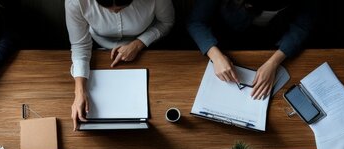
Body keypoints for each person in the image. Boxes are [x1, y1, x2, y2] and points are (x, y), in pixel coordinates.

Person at [65, 0, 175, 130]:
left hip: (146, 50)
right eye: (106, 6)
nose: (115, 11)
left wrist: (139, 44)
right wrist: (79, 92)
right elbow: (80, 45)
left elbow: (166, 22)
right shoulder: (76, 2)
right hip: (99, 51)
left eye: (123, 6)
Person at [187, 0, 319, 100]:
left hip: (273, 41)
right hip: (224, 40)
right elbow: (196, 22)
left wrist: (274, 62)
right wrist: (215, 55)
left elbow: (302, 26)